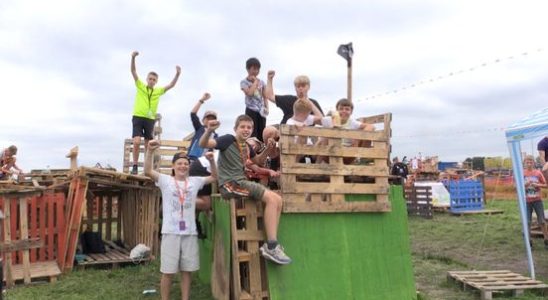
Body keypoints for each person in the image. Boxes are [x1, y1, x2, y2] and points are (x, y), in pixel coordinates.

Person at [199, 115, 292, 265]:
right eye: (242, 126)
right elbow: (203, 143)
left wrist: (268, 149)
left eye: (249, 127)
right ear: (235, 128)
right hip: (230, 185)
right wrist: (209, 130)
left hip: (241, 183)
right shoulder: (228, 140)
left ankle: (272, 243)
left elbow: (259, 161)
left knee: (278, 199)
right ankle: (272, 246)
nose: (246, 130)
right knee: (271, 199)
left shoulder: (247, 147)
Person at [144, 139, 217, 300]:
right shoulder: (165, 181)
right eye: (179, 163)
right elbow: (148, 171)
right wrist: (149, 151)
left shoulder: (195, 181)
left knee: (187, 270)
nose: (183, 166)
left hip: (189, 233)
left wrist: (211, 161)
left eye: (186, 163)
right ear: (173, 166)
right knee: (168, 271)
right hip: (171, 232)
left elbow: (214, 177)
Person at [130, 50, 181, 174]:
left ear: (156, 81)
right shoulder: (140, 86)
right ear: (147, 79)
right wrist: (133, 58)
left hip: (149, 119)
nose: (152, 81)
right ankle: (135, 166)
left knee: (148, 145)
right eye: (150, 78)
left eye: (154, 79)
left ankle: (148, 168)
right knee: (136, 141)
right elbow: (133, 71)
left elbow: (171, 85)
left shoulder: (158, 91)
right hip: (138, 116)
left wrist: (177, 74)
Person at [240, 57, 273, 142]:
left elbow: (265, 96)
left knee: (262, 131)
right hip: (251, 109)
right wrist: (255, 82)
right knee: (252, 131)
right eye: (254, 69)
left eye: (258, 69)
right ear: (248, 69)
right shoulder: (244, 82)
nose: (256, 71)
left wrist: (267, 108)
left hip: (261, 110)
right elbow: (250, 93)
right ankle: (252, 151)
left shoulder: (262, 82)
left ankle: (261, 152)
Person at [523, 155, 548, 249]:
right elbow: (516, 187)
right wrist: (525, 184)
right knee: (527, 221)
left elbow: (546, 185)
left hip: (537, 200)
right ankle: (529, 242)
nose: (529, 164)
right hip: (526, 201)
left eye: (531, 162)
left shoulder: (538, 173)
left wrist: (537, 184)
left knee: (542, 221)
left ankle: (546, 240)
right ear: (524, 163)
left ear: (534, 163)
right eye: (527, 162)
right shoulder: (522, 173)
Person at [187, 93, 218, 161]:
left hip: (205, 161)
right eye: (208, 118)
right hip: (192, 158)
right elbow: (193, 114)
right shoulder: (199, 128)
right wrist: (201, 100)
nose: (210, 120)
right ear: (203, 120)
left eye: (212, 119)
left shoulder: (216, 136)